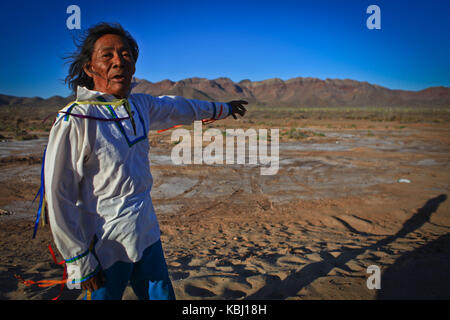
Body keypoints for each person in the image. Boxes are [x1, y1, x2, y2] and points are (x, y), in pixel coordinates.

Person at [44, 22, 247, 300]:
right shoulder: (75, 120)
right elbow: (59, 194)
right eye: (108, 55)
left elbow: (180, 107)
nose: (119, 62)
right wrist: (78, 258)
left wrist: (223, 108)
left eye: (126, 55)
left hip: (147, 234)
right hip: (105, 245)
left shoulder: (140, 106)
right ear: (90, 68)